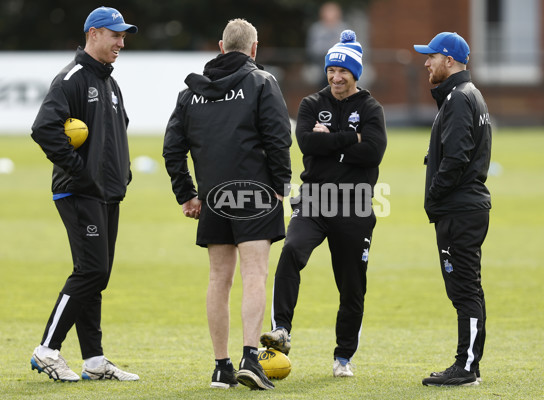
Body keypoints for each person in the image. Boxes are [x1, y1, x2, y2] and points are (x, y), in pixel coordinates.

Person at [162, 18, 292, 390]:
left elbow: (172, 149)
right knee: (255, 274)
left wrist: (187, 193)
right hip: (255, 193)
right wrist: (281, 185)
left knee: (219, 279)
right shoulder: (261, 83)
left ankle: (221, 367)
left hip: (214, 196)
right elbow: (278, 137)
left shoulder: (190, 93)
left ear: (221, 47)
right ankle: (251, 357)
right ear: (253, 49)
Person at [260, 30, 387, 378]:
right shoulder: (312, 104)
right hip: (314, 201)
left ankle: (343, 357)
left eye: (343, 71)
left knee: (351, 285)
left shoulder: (371, 108)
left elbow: (374, 150)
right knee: (291, 252)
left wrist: (330, 141)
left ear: (355, 73)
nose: (335, 77)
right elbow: (305, 144)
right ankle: (281, 330)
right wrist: (349, 143)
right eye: (331, 70)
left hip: (355, 206)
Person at [29, 7, 139, 382]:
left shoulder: (110, 82)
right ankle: (47, 350)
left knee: (97, 274)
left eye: (123, 36)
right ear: (93, 34)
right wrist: (80, 170)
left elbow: (118, 132)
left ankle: (94, 360)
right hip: (79, 192)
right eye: (115, 35)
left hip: (107, 194)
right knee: (91, 270)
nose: (121, 43)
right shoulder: (72, 78)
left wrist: (120, 176)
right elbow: (44, 128)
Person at [413, 32, 492, 387]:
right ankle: (466, 363)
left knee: (464, 289)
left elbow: (457, 158)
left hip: (460, 209)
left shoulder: (459, 98)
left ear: (449, 60)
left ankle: (467, 367)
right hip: (463, 208)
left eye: (431, 56)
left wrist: (435, 195)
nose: (426, 63)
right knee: (465, 288)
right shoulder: (463, 95)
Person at [305, 2, 346, 88]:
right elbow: (314, 49)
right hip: (320, 65)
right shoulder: (316, 29)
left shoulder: (344, 29)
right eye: (328, 12)